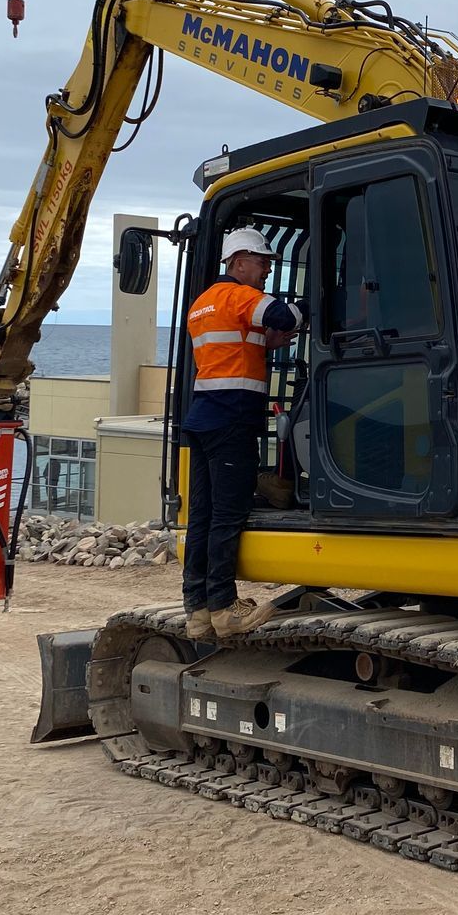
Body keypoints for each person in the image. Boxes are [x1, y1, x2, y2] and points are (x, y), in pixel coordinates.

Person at [179, 226, 305, 642]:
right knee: (227, 516)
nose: (267, 268)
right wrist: (311, 305)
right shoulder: (240, 296)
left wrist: (266, 344)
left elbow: (230, 349)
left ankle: (197, 609)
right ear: (238, 263)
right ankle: (224, 607)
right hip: (231, 419)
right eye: (261, 260)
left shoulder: (202, 304)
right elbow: (285, 316)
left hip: (203, 417)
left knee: (202, 516)